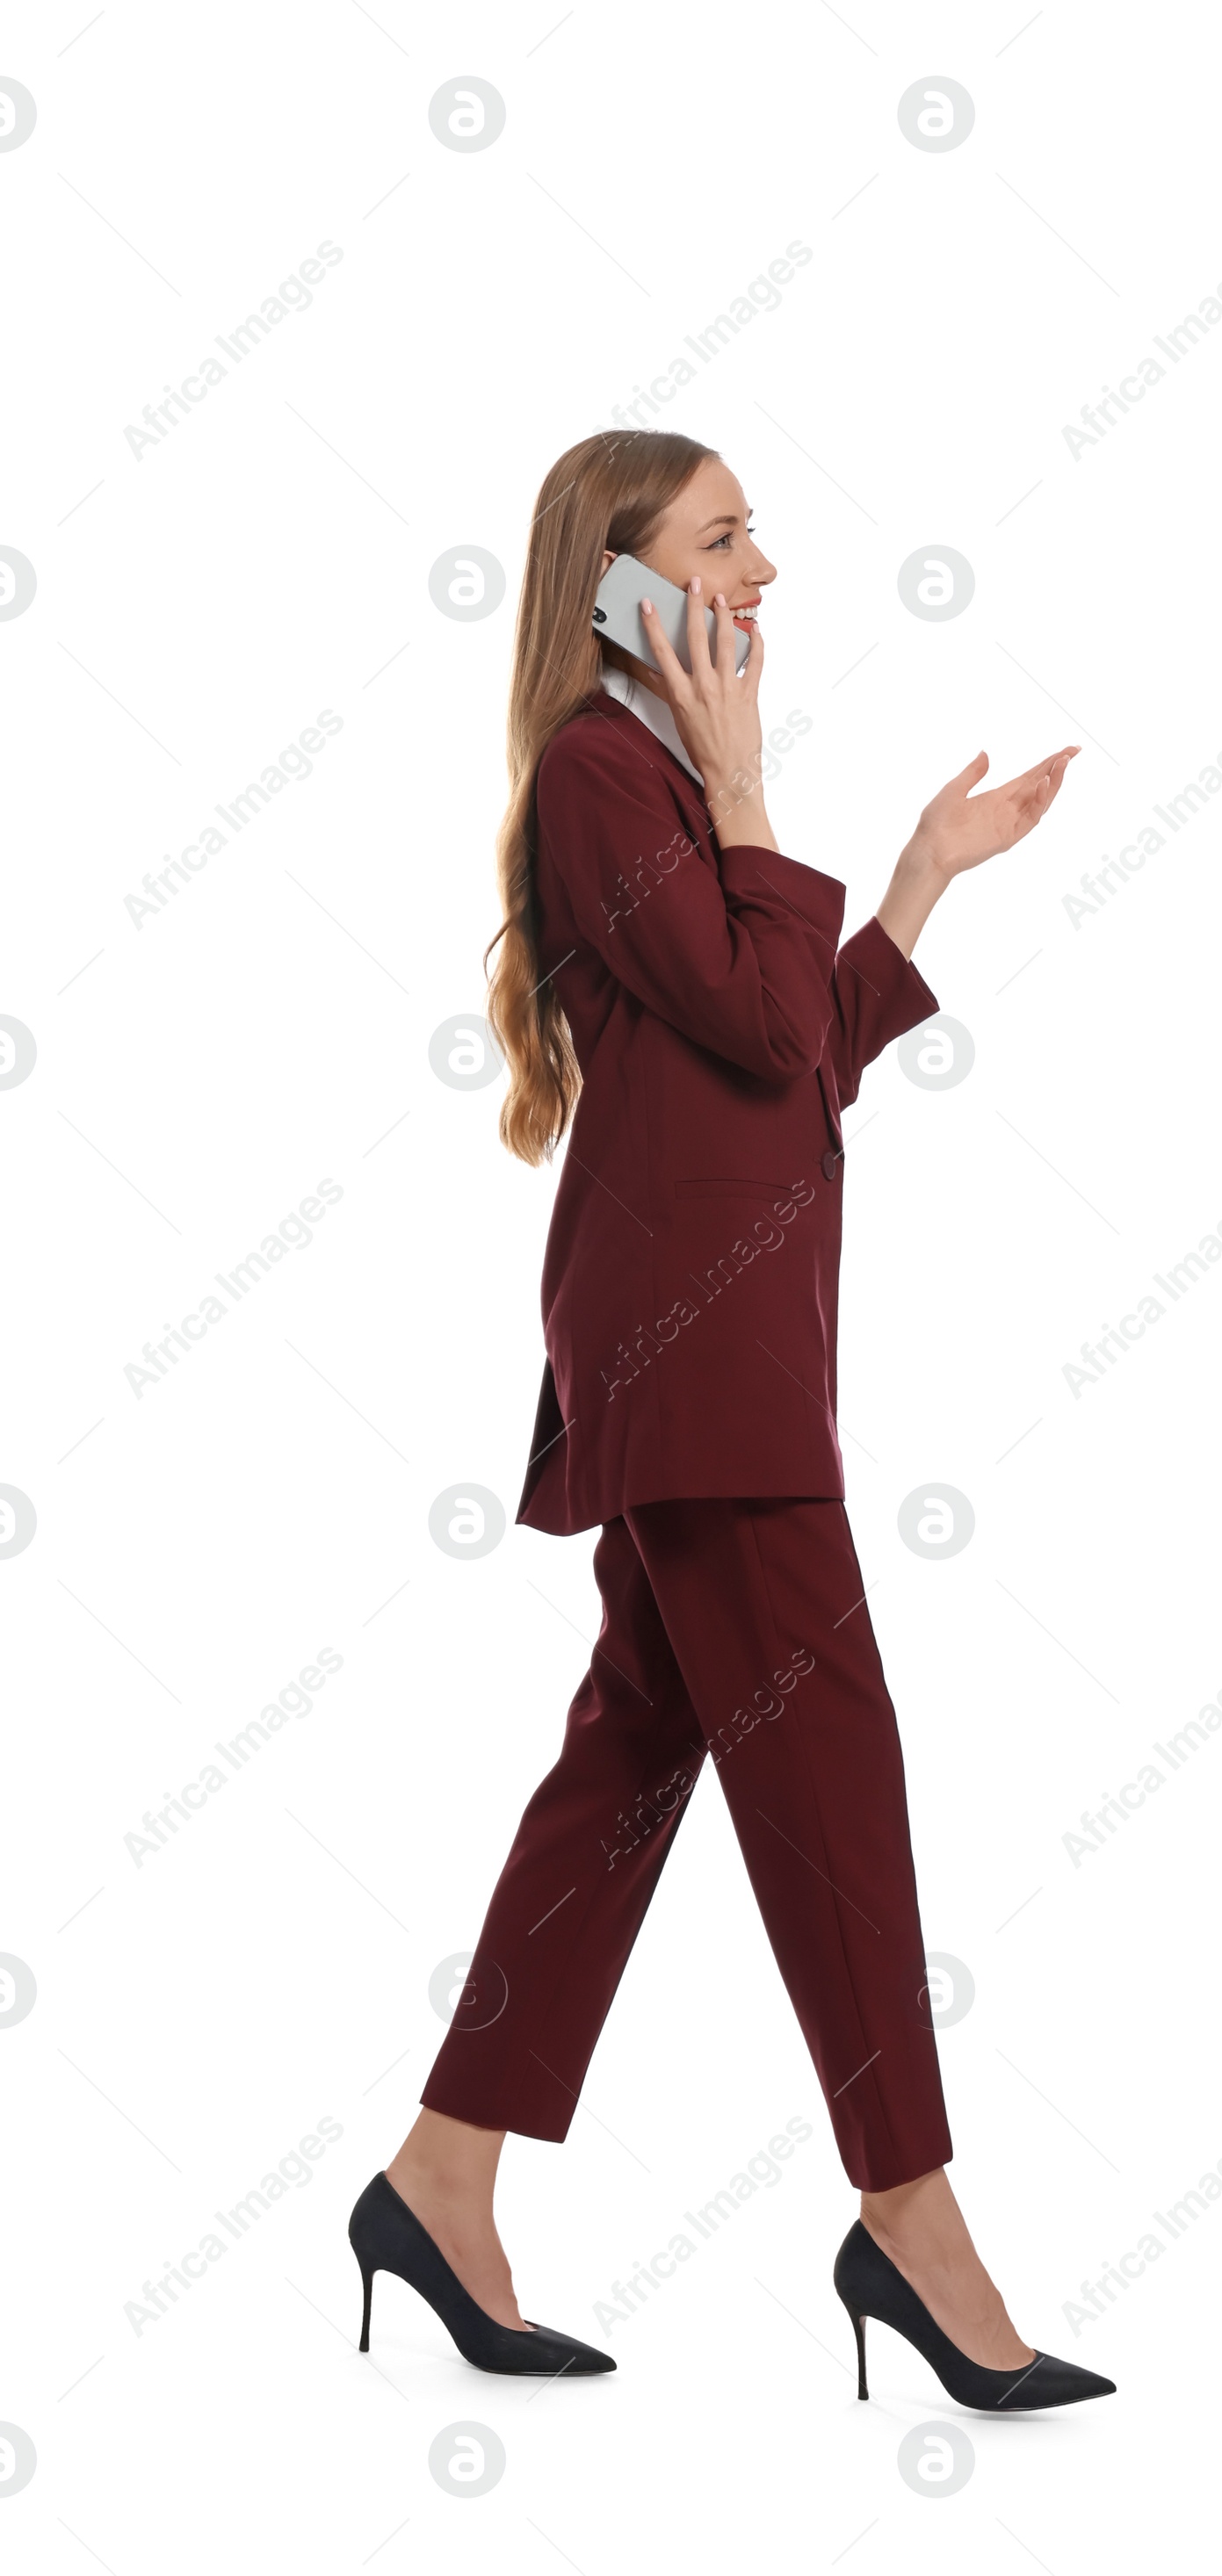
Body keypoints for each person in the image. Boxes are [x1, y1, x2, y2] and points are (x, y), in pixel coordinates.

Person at [348, 430, 1114, 2413]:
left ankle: (443, 2175)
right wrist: (761, 790)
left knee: (631, 1752)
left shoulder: (657, 780)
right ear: (614, 579)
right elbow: (767, 1031)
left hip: (718, 1353)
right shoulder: (615, 776)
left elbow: (783, 1070)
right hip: (702, 1377)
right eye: (720, 535)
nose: (761, 565)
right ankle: (913, 2220)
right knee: (831, 1777)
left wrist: (928, 881)